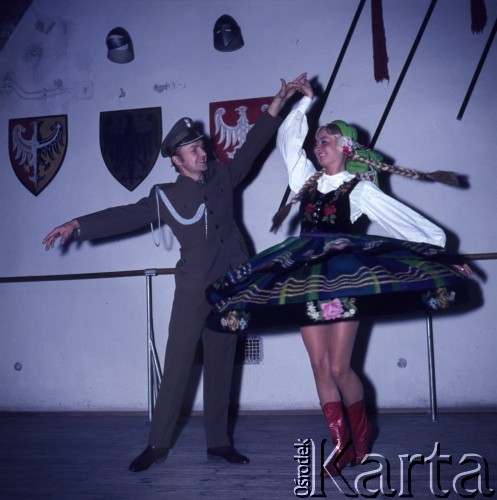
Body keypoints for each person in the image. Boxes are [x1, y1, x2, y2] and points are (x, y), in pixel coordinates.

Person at [206, 76, 473, 477]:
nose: (318, 146)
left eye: (325, 141)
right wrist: (304, 105)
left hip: (347, 279)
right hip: (303, 279)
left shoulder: (359, 190)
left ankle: (362, 437)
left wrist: (444, 256)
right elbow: (287, 144)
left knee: (339, 367)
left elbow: (408, 223)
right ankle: (341, 444)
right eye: (318, 142)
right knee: (318, 366)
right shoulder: (306, 181)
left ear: (345, 148)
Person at [42, 74, 307, 472]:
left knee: (221, 362)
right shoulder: (165, 196)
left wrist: (277, 101)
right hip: (193, 291)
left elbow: (253, 146)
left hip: (232, 285)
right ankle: (157, 444)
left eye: (200, 144)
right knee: (178, 364)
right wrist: (77, 224)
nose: (201, 151)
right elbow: (125, 216)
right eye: (191, 149)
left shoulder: (222, 176)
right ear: (176, 161)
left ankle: (219, 443)